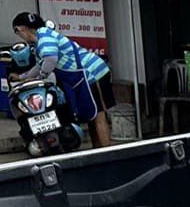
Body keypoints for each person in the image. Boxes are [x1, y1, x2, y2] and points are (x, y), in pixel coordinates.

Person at [11, 12, 114, 148]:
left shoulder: (44, 36)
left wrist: (42, 76)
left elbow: (50, 59)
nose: (20, 36)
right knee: (91, 115)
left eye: (18, 32)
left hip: (94, 72)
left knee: (99, 116)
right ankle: (96, 151)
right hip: (83, 78)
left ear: (22, 29)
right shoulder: (39, 41)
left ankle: (108, 153)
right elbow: (41, 64)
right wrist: (23, 77)